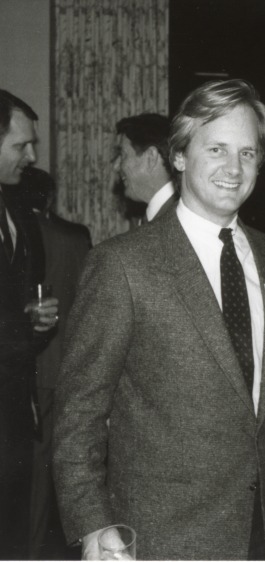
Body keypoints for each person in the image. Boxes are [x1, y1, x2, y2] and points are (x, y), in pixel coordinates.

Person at [53, 79, 265, 560]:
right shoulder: (123, 263)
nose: (233, 168)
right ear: (178, 156)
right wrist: (93, 525)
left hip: (261, 530)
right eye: (217, 148)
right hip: (161, 535)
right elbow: (79, 410)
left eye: (247, 153)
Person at [9, 167, 92, 559]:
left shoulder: (22, 235)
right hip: (69, 366)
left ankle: (28, 548)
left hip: (30, 364)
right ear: (51, 196)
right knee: (65, 465)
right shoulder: (78, 236)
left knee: (30, 470)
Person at [0, 90, 59, 559]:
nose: (33, 157)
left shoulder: (17, 208)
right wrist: (20, 327)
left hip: (14, 412)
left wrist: (34, 320)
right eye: (22, 145)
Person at [111, 113, 178, 223]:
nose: (116, 166)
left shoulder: (176, 220)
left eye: (123, 155)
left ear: (151, 158)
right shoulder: (157, 216)